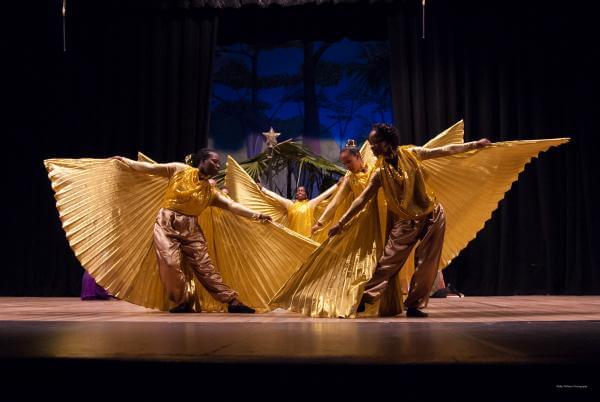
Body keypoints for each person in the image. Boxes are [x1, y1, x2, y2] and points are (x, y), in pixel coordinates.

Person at [328, 124, 491, 317]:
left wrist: (475, 145)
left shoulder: (411, 154)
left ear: (387, 143)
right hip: (406, 221)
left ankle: (414, 305)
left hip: (432, 215)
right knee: (387, 261)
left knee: (427, 263)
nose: (371, 148)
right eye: (371, 144)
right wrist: (342, 222)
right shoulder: (380, 173)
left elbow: (444, 151)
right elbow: (362, 199)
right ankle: (364, 299)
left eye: (375, 143)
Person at [112, 149, 272, 314]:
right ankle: (182, 301)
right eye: (214, 161)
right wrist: (124, 160)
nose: (218, 166)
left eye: (218, 163)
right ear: (202, 160)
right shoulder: (179, 170)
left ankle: (233, 301)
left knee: (205, 268)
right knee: (169, 263)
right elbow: (149, 168)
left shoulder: (211, 192)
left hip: (191, 228)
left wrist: (257, 215)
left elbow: (232, 206)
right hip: (167, 223)